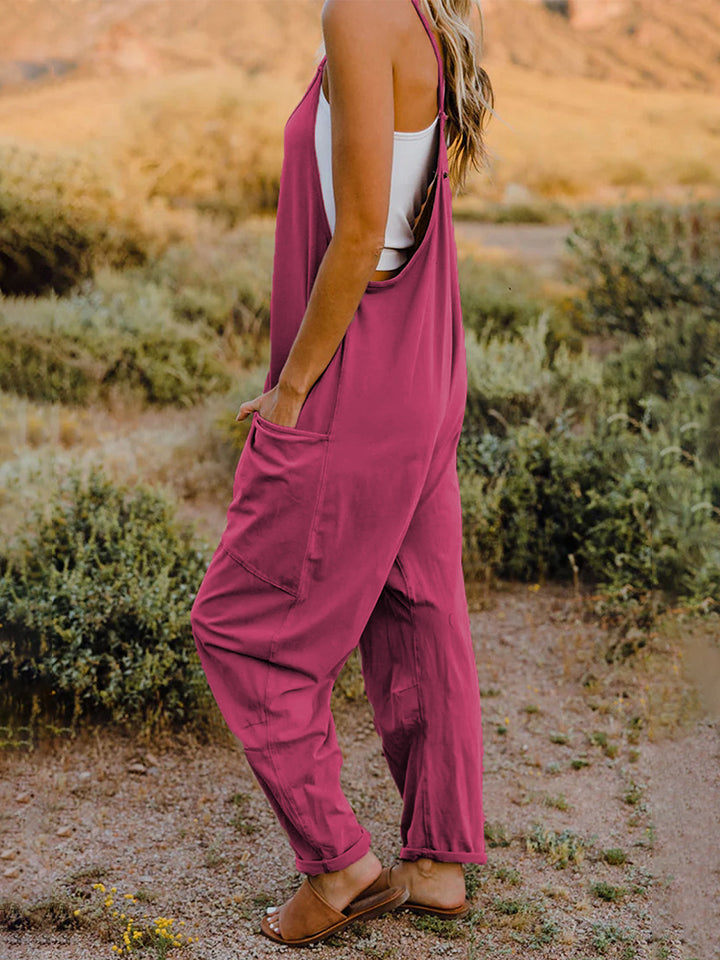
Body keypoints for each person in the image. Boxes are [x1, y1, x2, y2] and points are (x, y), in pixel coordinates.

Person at [190, 0, 495, 947]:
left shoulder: (359, 10)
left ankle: (339, 866)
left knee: (239, 628)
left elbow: (363, 230)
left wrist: (290, 390)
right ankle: (439, 864)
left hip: (361, 381)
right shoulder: (424, 10)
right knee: (420, 610)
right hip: (423, 365)